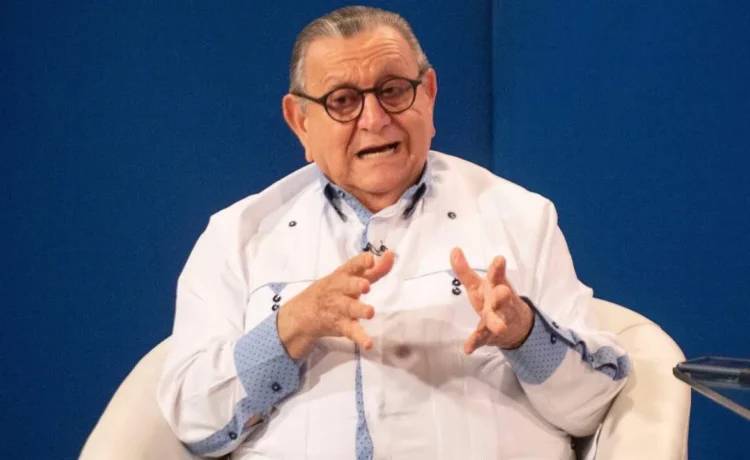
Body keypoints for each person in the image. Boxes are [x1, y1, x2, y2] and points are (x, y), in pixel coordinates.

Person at [157, 6, 630, 460]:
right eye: (343, 101)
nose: (375, 118)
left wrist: (524, 335)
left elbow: (591, 407)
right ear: (301, 121)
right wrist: (293, 325)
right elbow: (193, 421)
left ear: (428, 93)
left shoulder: (522, 218)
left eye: (393, 90)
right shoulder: (239, 236)